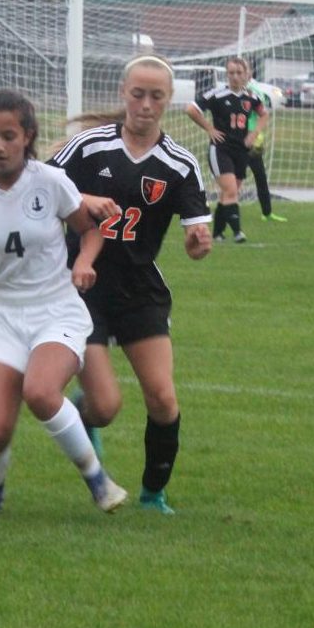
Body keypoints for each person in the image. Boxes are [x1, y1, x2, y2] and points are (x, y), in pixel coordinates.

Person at [0, 89, 127, 515]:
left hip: (56, 309)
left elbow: (91, 230)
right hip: (5, 318)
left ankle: (99, 482)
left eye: (8, 136)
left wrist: (83, 261)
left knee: (41, 392)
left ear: (27, 137)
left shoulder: (50, 181)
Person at [49, 54, 213, 514]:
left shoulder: (179, 164)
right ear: (124, 94)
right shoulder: (88, 147)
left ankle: (153, 493)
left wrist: (199, 243)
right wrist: (82, 198)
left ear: (168, 101)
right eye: (137, 94)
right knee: (104, 408)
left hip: (140, 290)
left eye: (156, 96)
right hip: (81, 286)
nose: (145, 104)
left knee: (162, 397)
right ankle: (84, 415)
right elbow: (38, 184)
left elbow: (196, 235)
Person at [186, 56, 270, 243]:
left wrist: (254, 132)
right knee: (231, 190)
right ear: (227, 75)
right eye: (231, 73)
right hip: (220, 149)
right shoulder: (216, 94)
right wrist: (209, 129)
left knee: (229, 193)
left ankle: (216, 234)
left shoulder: (251, 97)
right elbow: (191, 109)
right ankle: (238, 233)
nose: (235, 77)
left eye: (239, 73)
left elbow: (264, 114)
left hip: (241, 150)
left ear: (247, 74)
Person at [246, 75, 288, 223]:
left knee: (260, 178)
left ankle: (267, 213)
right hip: (237, 141)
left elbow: (262, 113)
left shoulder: (255, 91)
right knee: (229, 180)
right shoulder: (236, 92)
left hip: (253, 142)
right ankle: (212, 211)